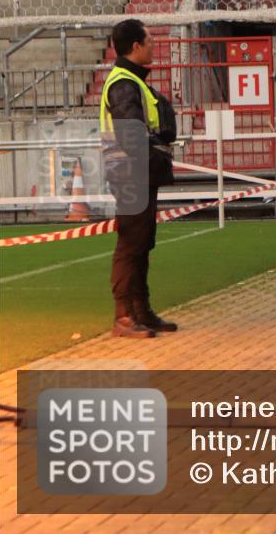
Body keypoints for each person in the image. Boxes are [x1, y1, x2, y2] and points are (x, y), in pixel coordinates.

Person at [100, 19, 179, 338]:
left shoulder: (131, 81)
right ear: (135, 46)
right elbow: (131, 136)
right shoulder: (123, 84)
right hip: (131, 174)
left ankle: (141, 311)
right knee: (132, 244)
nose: (153, 45)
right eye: (149, 40)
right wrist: (154, 160)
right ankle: (124, 317)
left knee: (142, 242)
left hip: (138, 173)